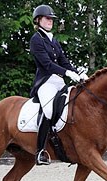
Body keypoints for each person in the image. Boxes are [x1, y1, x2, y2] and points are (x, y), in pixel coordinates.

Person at [30, 4, 88, 165]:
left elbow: (64, 61)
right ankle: (40, 151)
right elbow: (47, 64)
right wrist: (67, 73)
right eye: (47, 18)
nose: (50, 21)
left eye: (51, 19)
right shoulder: (36, 40)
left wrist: (77, 73)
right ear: (38, 20)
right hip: (45, 82)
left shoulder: (53, 40)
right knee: (48, 109)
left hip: (59, 82)